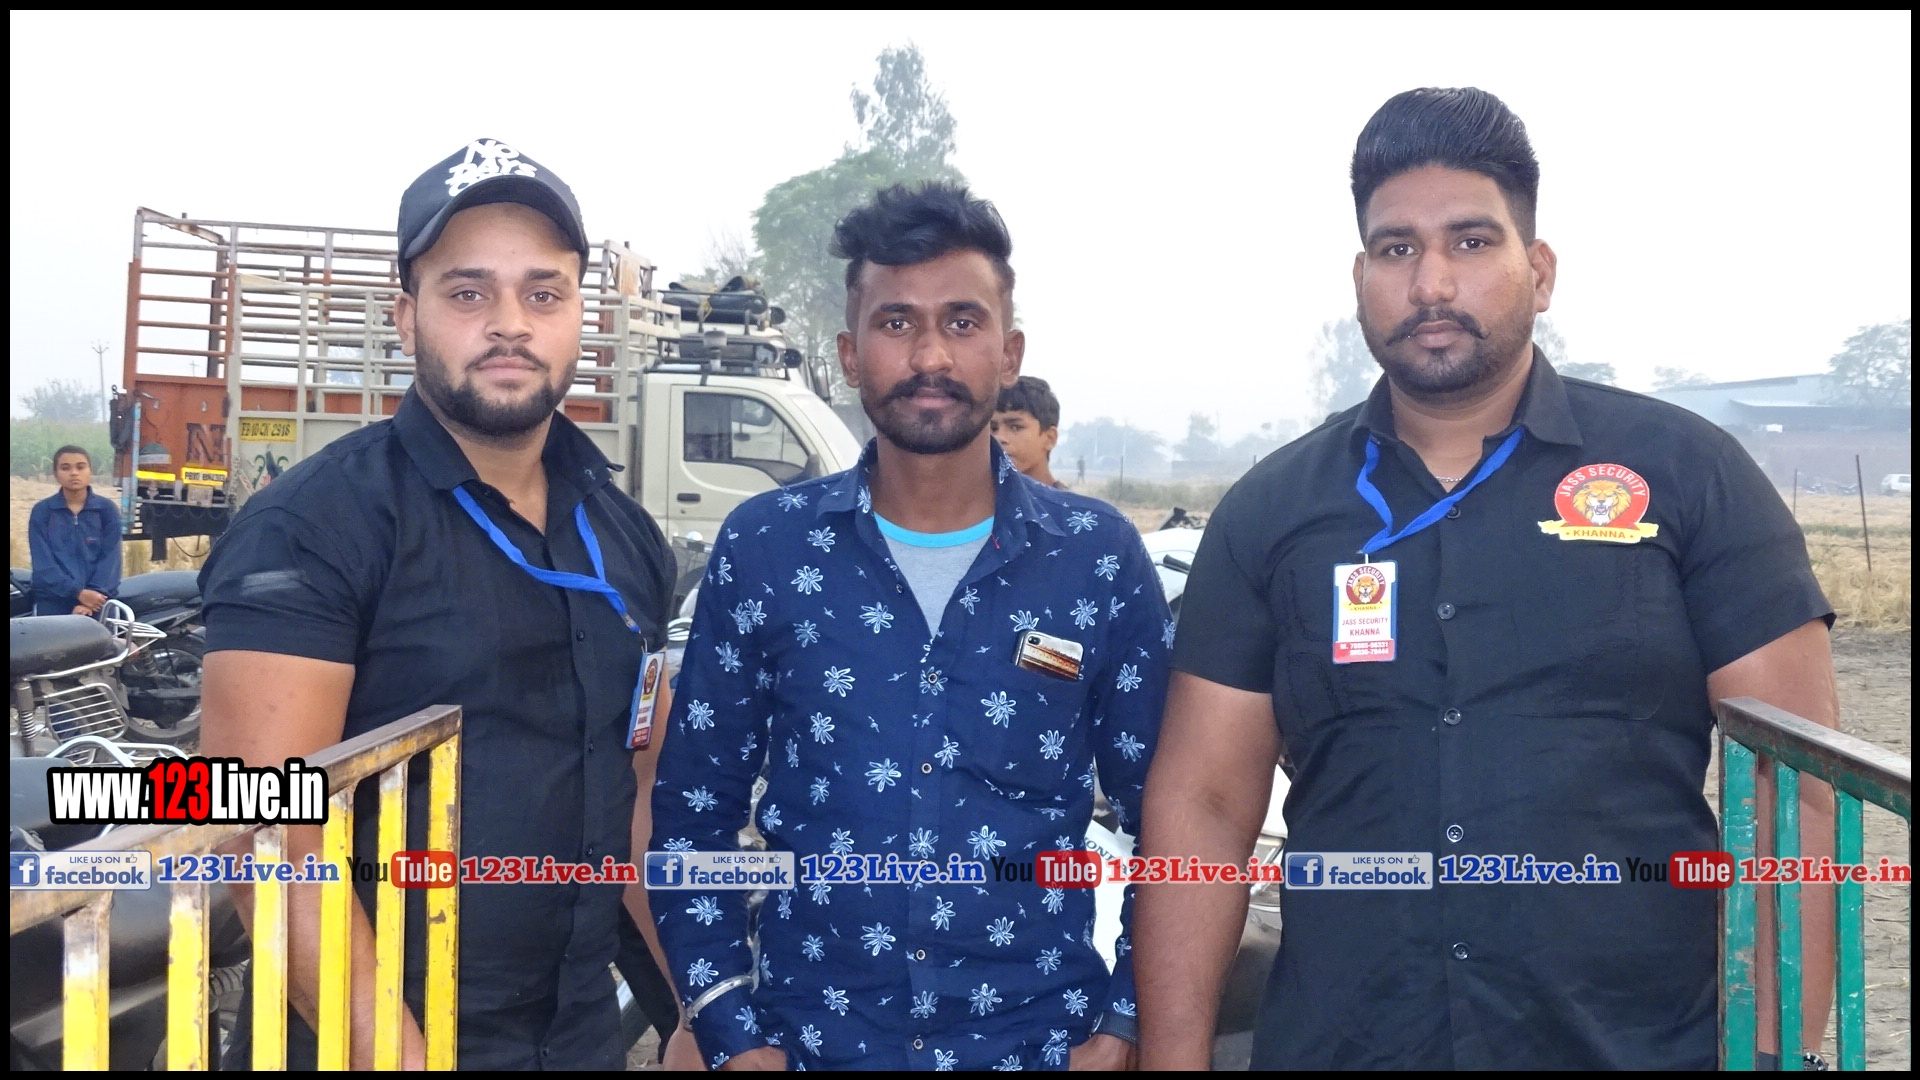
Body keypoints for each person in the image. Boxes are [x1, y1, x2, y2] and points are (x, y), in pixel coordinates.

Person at [1135, 87, 1839, 1071]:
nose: (1431, 282)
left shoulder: (1689, 477)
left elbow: (1798, 793)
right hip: (1348, 1047)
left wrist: (1771, 1052)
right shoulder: (1271, 513)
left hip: (1632, 1047)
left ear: (1538, 271)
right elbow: (1205, 805)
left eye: (1471, 242)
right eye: (1396, 249)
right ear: (1360, 278)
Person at [650, 182, 1170, 1071]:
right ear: (850, 355)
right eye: (897, 323)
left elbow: (1166, 814)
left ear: (1008, 351)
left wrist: (1123, 1022)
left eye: (962, 322)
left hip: (1037, 1042)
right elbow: (695, 813)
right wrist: (728, 1027)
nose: (930, 356)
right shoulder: (768, 548)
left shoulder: (1096, 558)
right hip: (813, 1044)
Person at [198, 138, 680, 1069]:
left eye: (544, 294)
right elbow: (263, 836)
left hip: (576, 1038)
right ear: (405, 316)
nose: (510, 325)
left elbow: (639, 799)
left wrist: (700, 1006)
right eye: (467, 293)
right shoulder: (313, 528)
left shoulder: (624, 538)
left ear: (580, 317)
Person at [28, 445, 121, 616]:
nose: (74, 473)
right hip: (53, 601)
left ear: (90, 471)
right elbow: (43, 564)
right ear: (56, 474)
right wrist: (78, 593)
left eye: (80, 467)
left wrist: (91, 599)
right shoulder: (43, 511)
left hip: (98, 601)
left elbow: (110, 561)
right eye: (65, 468)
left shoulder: (106, 510)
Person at [991, 374, 1066, 488]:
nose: (998, 438)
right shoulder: (977, 497)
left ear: (1050, 438)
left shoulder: (1066, 499)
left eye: (1015, 427)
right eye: (993, 429)